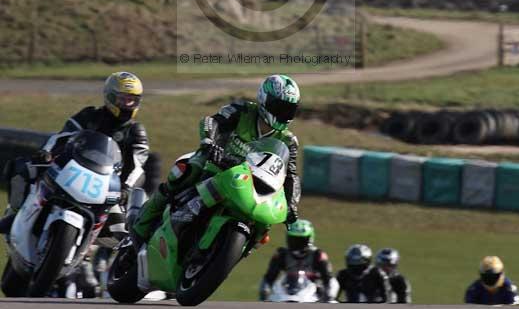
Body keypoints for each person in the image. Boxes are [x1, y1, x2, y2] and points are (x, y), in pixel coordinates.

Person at [132, 74, 301, 246]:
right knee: (184, 174)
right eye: (279, 107)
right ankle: (140, 227)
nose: (283, 114)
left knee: (264, 225)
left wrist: (292, 207)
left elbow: (291, 175)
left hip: (252, 182)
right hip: (216, 163)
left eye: (289, 109)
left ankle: (239, 248)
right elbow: (212, 122)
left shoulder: (289, 141)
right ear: (264, 100)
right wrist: (208, 142)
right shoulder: (242, 111)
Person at [0, 71, 149, 238]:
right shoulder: (89, 115)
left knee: (126, 231)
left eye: (132, 100)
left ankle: (102, 260)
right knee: (22, 169)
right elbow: (62, 136)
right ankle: (16, 214)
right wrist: (46, 152)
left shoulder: (136, 131)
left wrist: (126, 189)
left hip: (106, 187)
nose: (127, 105)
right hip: (72, 170)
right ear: (110, 97)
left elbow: (138, 166)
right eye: (122, 99)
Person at [259, 219, 335, 302]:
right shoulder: (281, 254)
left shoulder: (318, 254)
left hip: (314, 295)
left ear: (309, 239)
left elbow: (329, 278)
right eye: (293, 239)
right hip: (284, 292)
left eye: (301, 240)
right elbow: (270, 276)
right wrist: (264, 292)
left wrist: (329, 295)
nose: (297, 244)